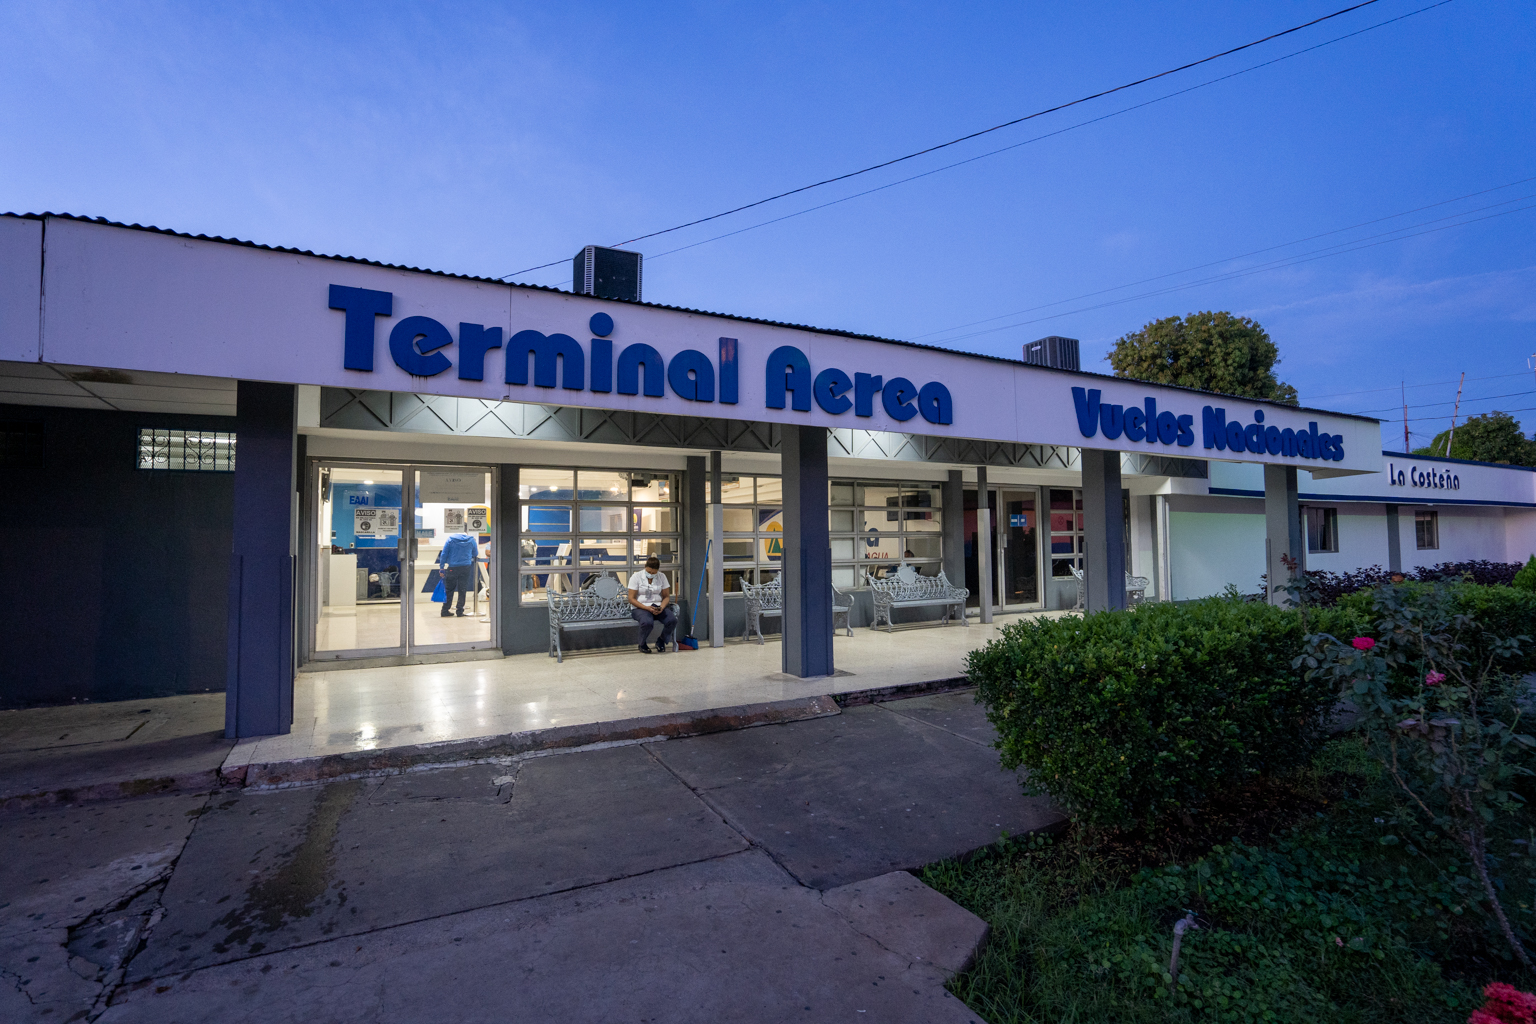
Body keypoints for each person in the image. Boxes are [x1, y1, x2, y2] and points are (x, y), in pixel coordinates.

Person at [627, 556, 677, 653]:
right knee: (647, 623)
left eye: (654, 573)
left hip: (657, 605)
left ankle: (661, 641)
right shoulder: (636, 577)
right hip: (640, 607)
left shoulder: (662, 576)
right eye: (649, 572)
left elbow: (666, 596)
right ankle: (642, 644)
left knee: (672, 620)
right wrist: (646, 608)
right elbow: (631, 598)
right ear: (645, 567)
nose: (651, 574)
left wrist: (661, 607)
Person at [437, 531, 479, 618]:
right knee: (462, 589)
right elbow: (475, 553)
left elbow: (444, 554)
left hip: (452, 567)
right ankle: (459, 611)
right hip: (465, 567)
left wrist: (441, 567)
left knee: (449, 590)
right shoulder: (471, 540)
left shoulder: (450, 540)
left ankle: (445, 610)